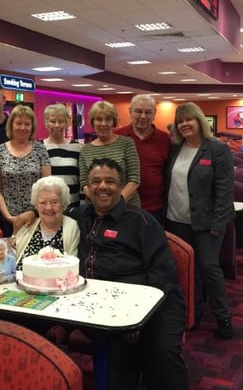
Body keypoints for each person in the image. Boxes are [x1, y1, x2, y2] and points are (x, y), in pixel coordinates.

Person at [69, 158, 188, 390]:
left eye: (110, 181)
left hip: (157, 305)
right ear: (87, 188)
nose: (102, 186)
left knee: (161, 357)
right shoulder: (82, 215)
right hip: (106, 308)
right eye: (96, 181)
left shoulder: (142, 222)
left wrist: (139, 318)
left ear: (121, 186)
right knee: (119, 358)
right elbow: (51, 206)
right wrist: (31, 214)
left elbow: (163, 276)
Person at [165, 101, 234, 339]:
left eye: (188, 119)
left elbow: (225, 190)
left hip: (207, 224)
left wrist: (219, 224)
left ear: (199, 121)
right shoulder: (175, 149)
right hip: (176, 220)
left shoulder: (217, 149)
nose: (184, 124)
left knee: (208, 267)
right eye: (180, 121)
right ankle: (192, 313)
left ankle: (222, 315)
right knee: (186, 269)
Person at [0, 104, 51, 236]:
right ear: (11, 125)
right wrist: (9, 217)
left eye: (27, 124)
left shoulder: (40, 149)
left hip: (37, 217)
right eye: (18, 123)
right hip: (7, 219)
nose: (23, 127)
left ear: (32, 127)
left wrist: (33, 213)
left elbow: (46, 185)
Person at [115, 94, 172, 221]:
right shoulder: (117, 136)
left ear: (154, 113)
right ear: (130, 111)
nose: (143, 116)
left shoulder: (165, 139)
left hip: (156, 209)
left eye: (148, 112)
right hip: (123, 206)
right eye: (138, 111)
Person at [78, 100, 141, 208]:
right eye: (99, 119)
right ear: (93, 122)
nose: (103, 124)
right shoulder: (85, 149)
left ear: (114, 122)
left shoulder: (127, 143)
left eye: (108, 119)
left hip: (126, 207)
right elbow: (84, 183)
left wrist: (116, 203)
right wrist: (100, 203)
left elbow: (134, 179)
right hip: (97, 210)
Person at [14, 176, 79, 267]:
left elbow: (72, 266)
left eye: (54, 202)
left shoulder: (73, 227)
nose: (48, 208)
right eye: (42, 203)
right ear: (36, 205)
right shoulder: (26, 225)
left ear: (63, 203)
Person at [42, 104, 82, 207]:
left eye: (61, 121)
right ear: (46, 122)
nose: (57, 125)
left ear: (66, 123)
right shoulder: (38, 148)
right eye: (53, 121)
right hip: (48, 207)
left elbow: (82, 180)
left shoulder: (77, 148)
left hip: (73, 206)